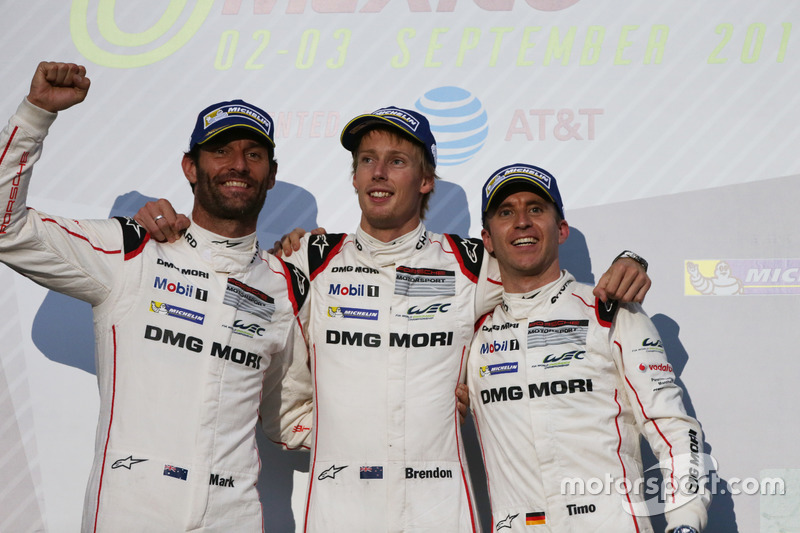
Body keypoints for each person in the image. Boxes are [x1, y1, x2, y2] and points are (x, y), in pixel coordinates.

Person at [137, 106, 651, 531]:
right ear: (355, 176)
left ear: (426, 180)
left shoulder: (470, 263)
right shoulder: (306, 259)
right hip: (340, 508)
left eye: (397, 161)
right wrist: (170, 232)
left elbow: (539, 274)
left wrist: (631, 261)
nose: (379, 172)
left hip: (441, 509)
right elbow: (231, 288)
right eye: (367, 160)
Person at [0, 61, 312, 532]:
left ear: (270, 175)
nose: (238, 166)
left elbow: (290, 417)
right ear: (190, 166)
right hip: (130, 515)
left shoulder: (285, 285)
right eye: (221, 151)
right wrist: (36, 115)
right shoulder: (133, 251)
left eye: (254, 154)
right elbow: (7, 228)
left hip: (235, 519)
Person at [468, 163, 708, 532]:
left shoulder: (609, 311)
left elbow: (673, 428)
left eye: (536, 208)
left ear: (560, 229)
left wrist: (685, 522)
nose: (521, 222)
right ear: (487, 239)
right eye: (505, 212)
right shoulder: (471, 334)